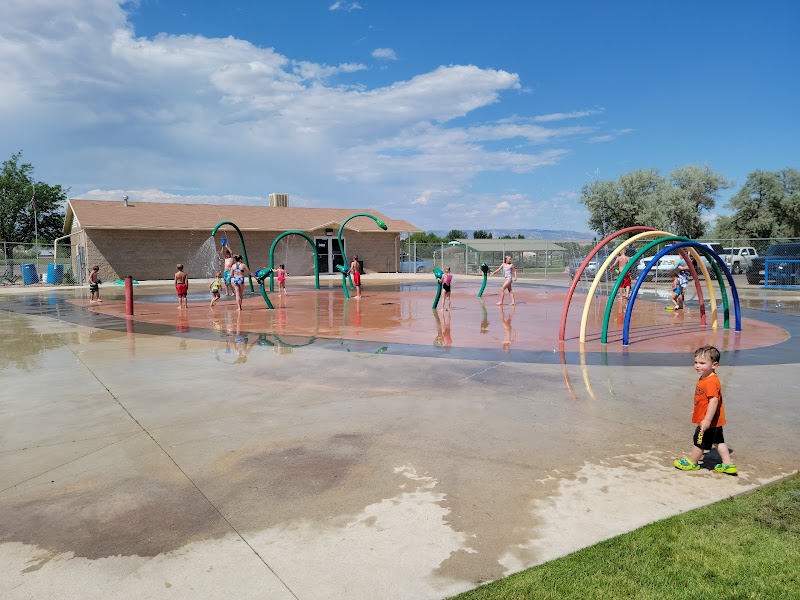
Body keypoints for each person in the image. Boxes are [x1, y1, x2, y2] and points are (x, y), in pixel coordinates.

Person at [674, 346, 737, 474]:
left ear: (714, 364)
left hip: (708, 421)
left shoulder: (710, 382)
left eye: (702, 363)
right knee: (718, 441)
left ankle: (692, 462)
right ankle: (728, 464)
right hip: (715, 420)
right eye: (696, 362)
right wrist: (697, 410)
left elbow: (714, 401)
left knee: (699, 441)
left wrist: (707, 419)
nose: (697, 366)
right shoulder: (705, 377)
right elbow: (705, 400)